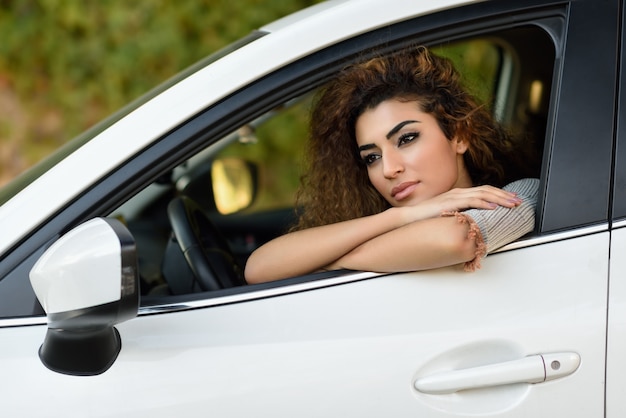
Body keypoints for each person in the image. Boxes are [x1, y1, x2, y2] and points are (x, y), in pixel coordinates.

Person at [244, 46, 539, 284]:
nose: (389, 169)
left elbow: (455, 238)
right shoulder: (382, 222)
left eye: (406, 138)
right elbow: (259, 267)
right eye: (371, 157)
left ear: (459, 135)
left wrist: (329, 262)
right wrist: (402, 217)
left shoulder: (525, 193)